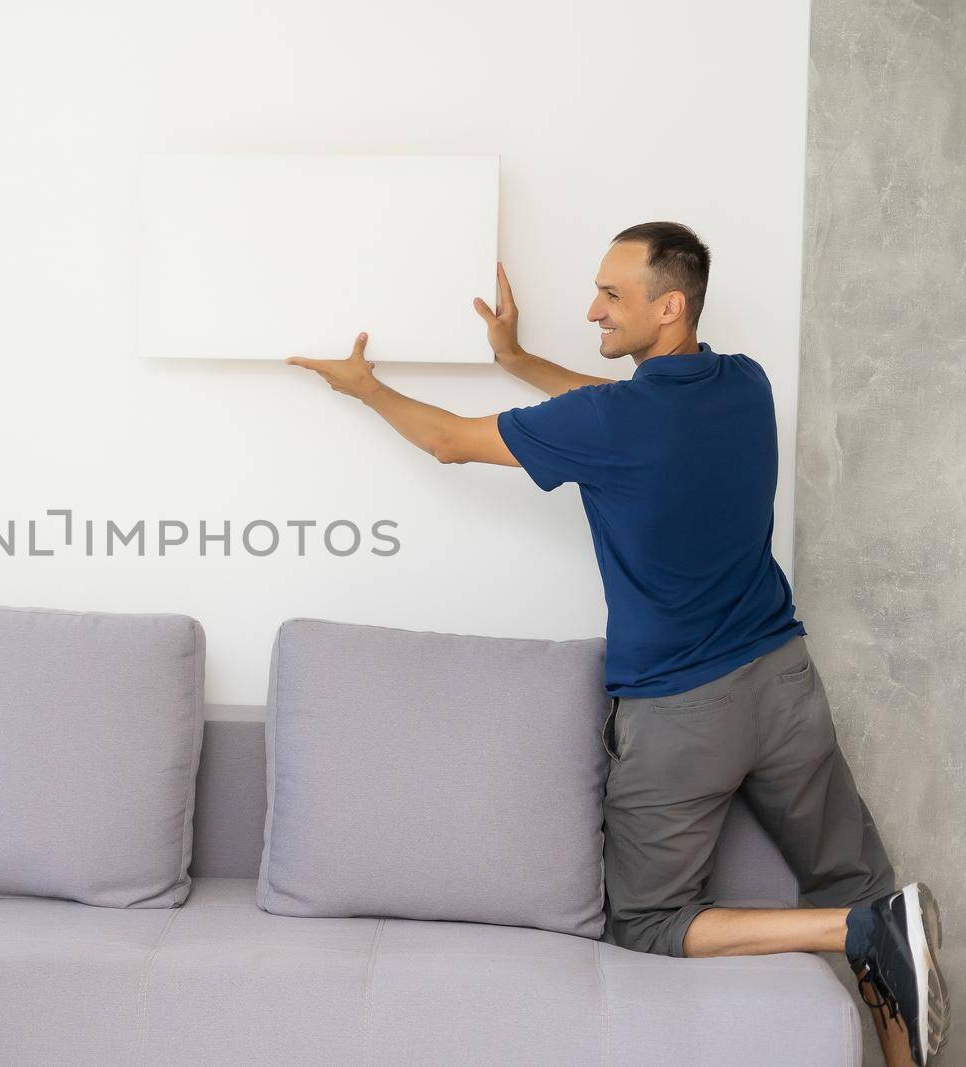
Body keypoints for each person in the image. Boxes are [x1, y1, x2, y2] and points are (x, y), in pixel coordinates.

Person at [286, 221, 948, 1066]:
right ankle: (877, 929)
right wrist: (516, 358)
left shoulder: (612, 420)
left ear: (668, 306)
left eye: (611, 294)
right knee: (859, 873)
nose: (593, 308)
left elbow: (452, 442)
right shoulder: (744, 385)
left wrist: (365, 387)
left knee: (648, 922)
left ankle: (856, 927)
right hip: (785, 683)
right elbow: (604, 411)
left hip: (683, 712)